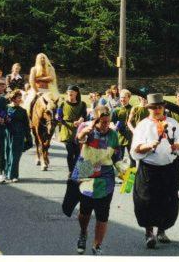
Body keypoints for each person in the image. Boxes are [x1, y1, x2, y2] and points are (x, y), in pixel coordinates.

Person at [131, 93, 179, 249]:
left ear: (164, 107)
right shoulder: (143, 125)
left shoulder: (172, 123)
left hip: (169, 169)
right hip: (149, 169)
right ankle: (149, 233)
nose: (157, 110)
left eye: (159, 107)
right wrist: (149, 145)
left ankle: (161, 231)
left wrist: (177, 146)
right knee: (146, 201)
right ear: (148, 109)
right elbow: (136, 147)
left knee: (167, 201)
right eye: (153, 108)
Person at [71, 106, 128, 256]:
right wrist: (87, 129)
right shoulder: (87, 129)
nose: (106, 125)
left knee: (103, 213)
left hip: (105, 173)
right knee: (85, 211)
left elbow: (116, 156)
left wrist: (122, 169)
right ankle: (83, 233)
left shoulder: (113, 135)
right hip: (86, 168)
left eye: (108, 122)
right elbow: (78, 139)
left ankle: (97, 246)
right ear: (95, 120)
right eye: (102, 122)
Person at [59, 85, 88, 177]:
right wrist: (58, 118)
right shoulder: (63, 104)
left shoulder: (82, 104)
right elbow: (59, 116)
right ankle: (71, 171)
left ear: (76, 93)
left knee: (77, 152)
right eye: (68, 92)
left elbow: (84, 115)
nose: (70, 93)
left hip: (79, 130)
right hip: (67, 129)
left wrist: (79, 121)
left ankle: (76, 169)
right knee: (70, 151)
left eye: (72, 92)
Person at [4, 90, 30, 182]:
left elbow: (26, 125)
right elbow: (1, 120)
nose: (20, 100)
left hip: (19, 135)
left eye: (20, 98)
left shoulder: (23, 111)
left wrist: (29, 138)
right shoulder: (6, 108)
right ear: (13, 99)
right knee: (7, 154)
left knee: (15, 155)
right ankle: (7, 173)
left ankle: (14, 175)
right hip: (8, 135)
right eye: (19, 98)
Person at [110, 89, 134, 166]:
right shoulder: (116, 110)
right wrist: (114, 126)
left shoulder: (133, 109)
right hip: (120, 137)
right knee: (119, 159)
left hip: (131, 137)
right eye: (121, 97)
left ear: (129, 98)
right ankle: (121, 175)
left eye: (124, 97)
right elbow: (111, 122)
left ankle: (131, 176)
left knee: (132, 159)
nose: (122, 99)